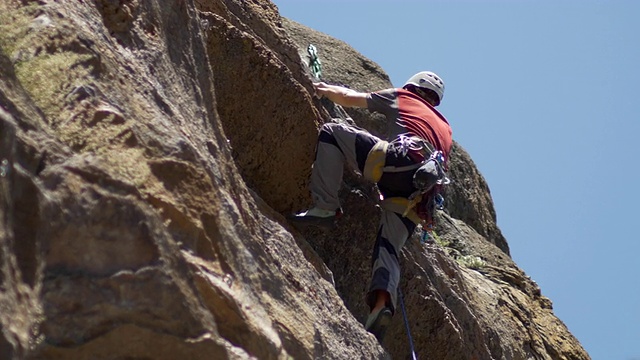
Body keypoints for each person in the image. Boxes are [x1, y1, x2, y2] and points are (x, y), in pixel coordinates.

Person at [289, 71, 453, 342]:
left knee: (332, 132)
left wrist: (319, 88)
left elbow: (349, 98)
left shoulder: (404, 97)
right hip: (420, 196)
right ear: (435, 100)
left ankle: (326, 205)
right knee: (388, 246)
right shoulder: (446, 129)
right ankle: (381, 305)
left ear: (413, 86)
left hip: (400, 163)